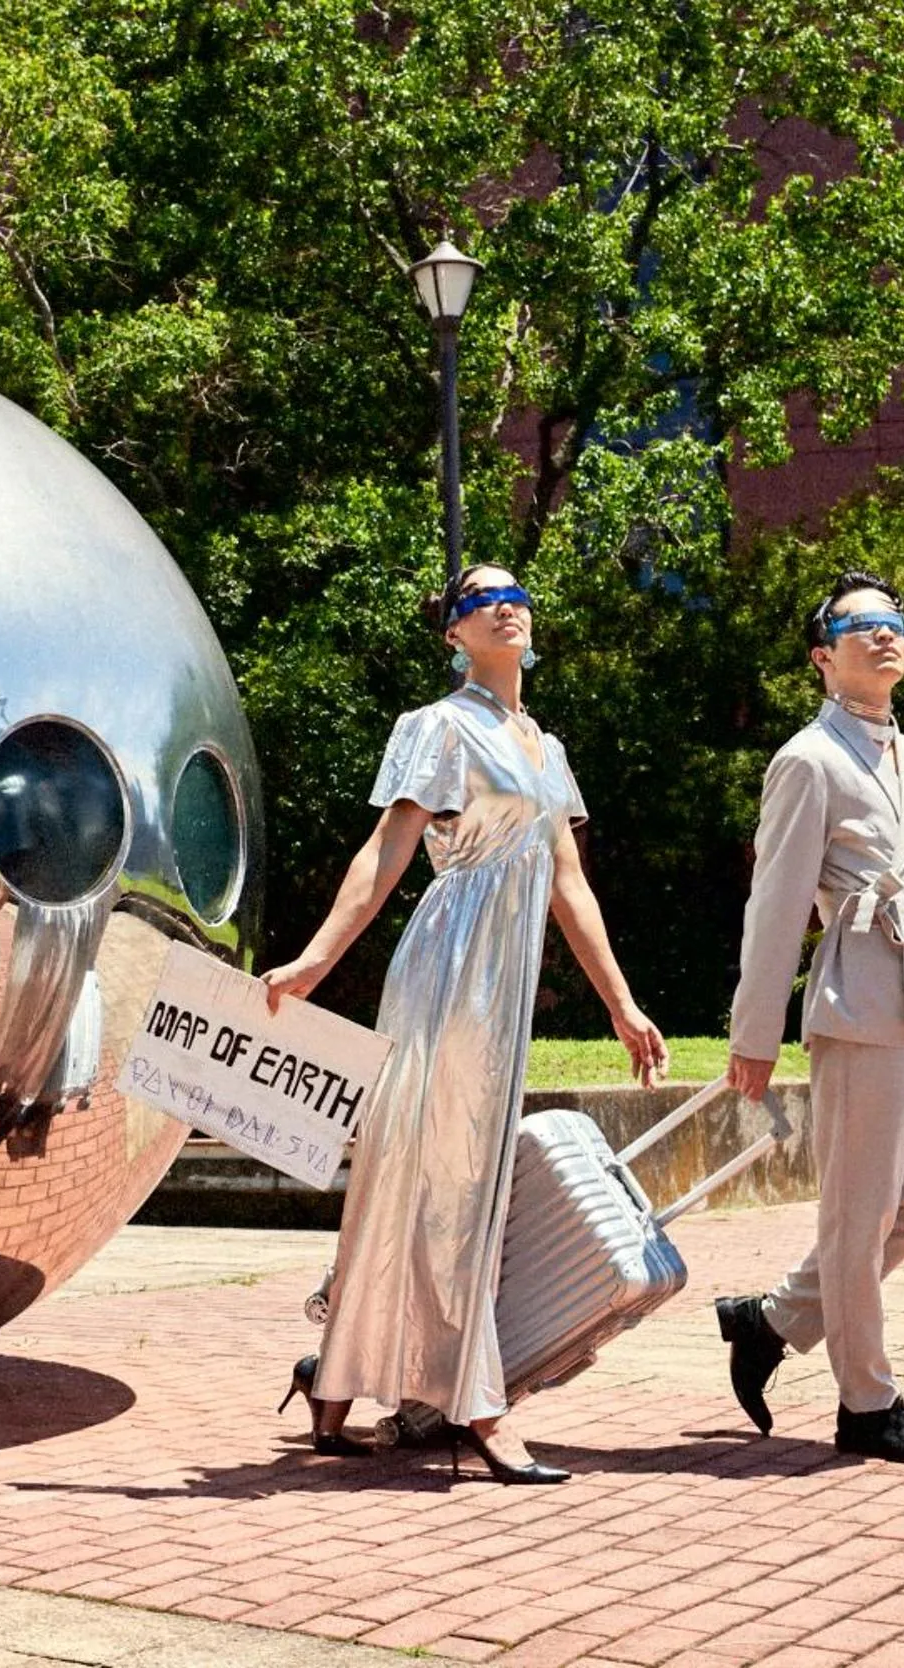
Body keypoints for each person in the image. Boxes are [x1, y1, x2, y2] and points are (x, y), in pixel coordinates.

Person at [262, 564, 667, 1483]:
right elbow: (385, 852)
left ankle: (336, 1381)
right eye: (483, 600)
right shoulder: (436, 727)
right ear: (453, 632)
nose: (508, 606)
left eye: (518, 594)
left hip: (508, 977)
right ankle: (475, 1403)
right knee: (440, 1176)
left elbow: (569, 883)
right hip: (450, 966)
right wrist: (318, 959)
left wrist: (621, 1002)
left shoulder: (542, 744)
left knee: (436, 1177)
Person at [715, 570, 904, 1468]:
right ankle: (867, 1404)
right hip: (859, 1004)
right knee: (860, 1212)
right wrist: (754, 1033)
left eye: (895, 622)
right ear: (823, 657)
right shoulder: (808, 759)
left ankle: (768, 1321)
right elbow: (774, 903)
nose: (884, 635)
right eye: (860, 625)